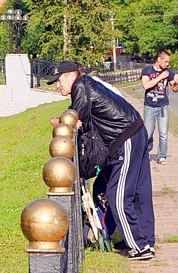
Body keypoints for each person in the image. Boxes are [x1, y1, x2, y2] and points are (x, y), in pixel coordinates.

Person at [48, 61, 156, 260]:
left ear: (71, 75)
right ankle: (146, 241)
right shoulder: (88, 83)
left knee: (117, 195)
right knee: (140, 193)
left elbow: (77, 118)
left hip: (125, 138)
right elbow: (83, 118)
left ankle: (139, 246)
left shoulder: (80, 85)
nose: (58, 85)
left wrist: (58, 122)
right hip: (136, 131)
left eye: (59, 80)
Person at [141, 50, 178, 164]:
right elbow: (146, 85)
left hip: (163, 106)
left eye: (168, 62)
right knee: (148, 132)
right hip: (150, 106)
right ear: (159, 59)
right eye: (166, 61)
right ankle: (146, 153)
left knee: (164, 133)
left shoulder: (168, 72)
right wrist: (160, 77)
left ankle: (162, 156)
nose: (167, 64)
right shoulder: (147, 70)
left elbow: (175, 89)